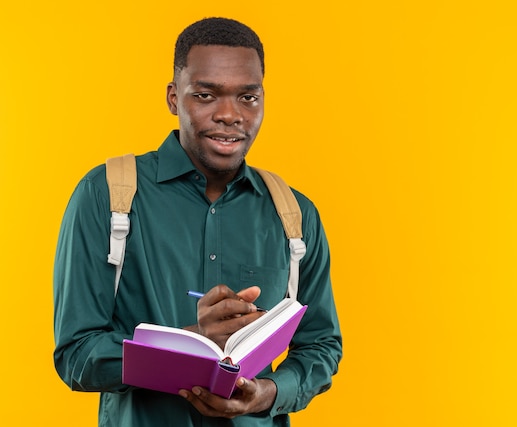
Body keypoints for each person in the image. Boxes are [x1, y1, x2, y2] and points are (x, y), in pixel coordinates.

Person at [53, 17, 342, 426]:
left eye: (248, 97)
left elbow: (321, 345)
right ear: (174, 98)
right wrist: (191, 343)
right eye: (206, 95)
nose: (230, 115)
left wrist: (268, 393)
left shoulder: (294, 215)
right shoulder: (107, 196)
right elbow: (76, 355)